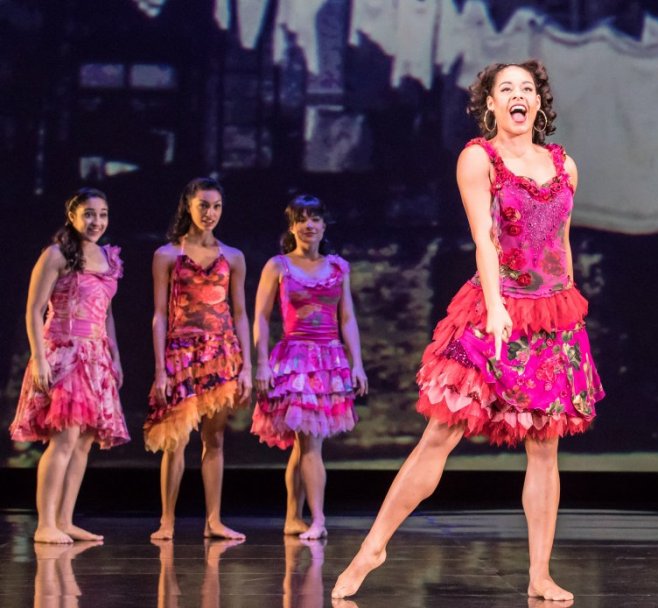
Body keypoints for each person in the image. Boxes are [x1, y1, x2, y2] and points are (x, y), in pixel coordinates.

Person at [332, 61, 604, 602]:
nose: (518, 95)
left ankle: (539, 573)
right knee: (441, 432)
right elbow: (484, 238)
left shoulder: (564, 165)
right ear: (492, 105)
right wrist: (497, 307)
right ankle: (373, 547)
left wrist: (570, 306)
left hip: (552, 315)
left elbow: (562, 241)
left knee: (544, 447)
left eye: (527, 88)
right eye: (507, 89)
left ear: (538, 103)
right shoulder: (480, 158)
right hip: (495, 308)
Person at [10, 188, 130, 544]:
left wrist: (114, 356)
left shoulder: (108, 257)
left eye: (103, 214)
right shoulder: (56, 254)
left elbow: (106, 314)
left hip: (96, 357)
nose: (97, 221)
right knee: (64, 439)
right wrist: (39, 358)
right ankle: (45, 523)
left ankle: (65, 520)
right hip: (64, 354)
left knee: (83, 443)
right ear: (73, 215)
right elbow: (34, 310)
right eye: (89, 214)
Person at [251, 195, 367, 540]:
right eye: (301, 219)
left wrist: (357, 364)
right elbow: (260, 317)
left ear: (324, 225)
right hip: (295, 364)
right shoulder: (278, 266)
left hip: (329, 362)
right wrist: (261, 362)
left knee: (305, 445)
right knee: (310, 445)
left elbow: (347, 318)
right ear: (291, 227)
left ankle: (293, 517)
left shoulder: (338, 268)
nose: (309, 225)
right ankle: (317, 519)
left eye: (315, 218)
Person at [144, 177, 252, 541]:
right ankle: (167, 521)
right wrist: (160, 368)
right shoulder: (167, 255)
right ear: (188, 206)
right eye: (203, 205)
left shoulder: (232, 257)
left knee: (214, 437)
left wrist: (247, 366)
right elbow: (160, 314)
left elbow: (240, 313)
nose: (210, 213)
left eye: (216, 206)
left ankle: (214, 520)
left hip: (220, 354)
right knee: (176, 439)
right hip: (181, 353)